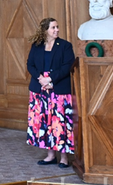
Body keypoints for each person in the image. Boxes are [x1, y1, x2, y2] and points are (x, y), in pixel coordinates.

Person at [26, 17, 76, 167]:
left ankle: (64, 158)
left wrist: (50, 79)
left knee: (60, 123)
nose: (57, 30)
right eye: (53, 27)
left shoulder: (65, 46)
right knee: (45, 122)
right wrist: (41, 79)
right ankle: (50, 156)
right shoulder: (37, 45)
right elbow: (30, 64)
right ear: (45, 30)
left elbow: (68, 66)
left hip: (59, 89)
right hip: (40, 89)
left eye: (57, 27)